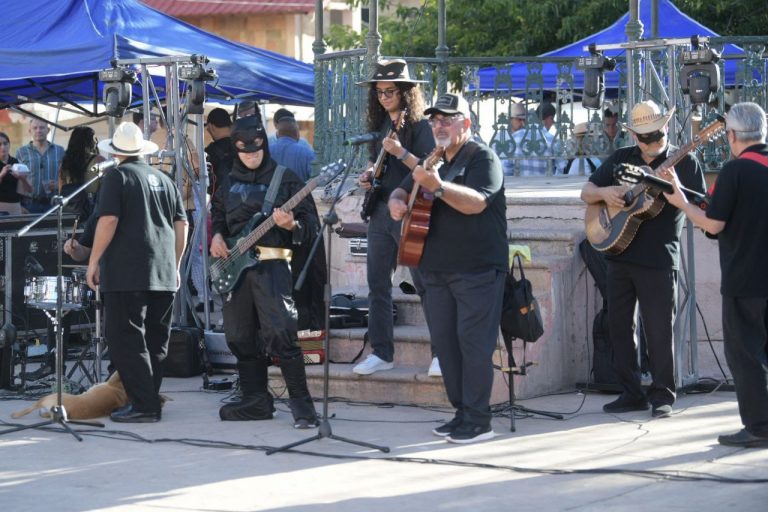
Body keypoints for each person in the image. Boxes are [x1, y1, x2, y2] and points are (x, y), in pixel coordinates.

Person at [389, 93, 507, 443]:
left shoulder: (483, 158)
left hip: (477, 269)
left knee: (474, 345)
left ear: (465, 124)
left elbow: (476, 203)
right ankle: (461, 413)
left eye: (447, 119)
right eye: (435, 120)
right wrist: (397, 203)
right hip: (435, 270)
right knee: (446, 344)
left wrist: (438, 187)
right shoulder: (433, 158)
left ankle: (479, 419)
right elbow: (403, 189)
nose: (439, 125)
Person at [580, 100, 706, 418]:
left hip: (660, 259)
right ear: (635, 136)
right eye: (646, 136)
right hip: (619, 254)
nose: (653, 142)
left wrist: (675, 190)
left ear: (666, 128)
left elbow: (699, 207)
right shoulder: (622, 158)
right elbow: (586, 191)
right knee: (619, 327)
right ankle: (631, 392)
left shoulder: (686, 161)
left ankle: (663, 395)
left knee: (659, 330)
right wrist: (606, 193)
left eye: (657, 134)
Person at [663, 102, 768, 448]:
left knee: (747, 356)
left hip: (746, 281)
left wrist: (680, 201)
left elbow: (713, 223)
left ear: (733, 135)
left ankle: (759, 427)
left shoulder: (735, 171)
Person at [209, 116, 319, 428]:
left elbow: (311, 226)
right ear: (236, 150)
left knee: (282, 333)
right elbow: (218, 215)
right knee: (239, 335)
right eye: (245, 152)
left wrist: (292, 225)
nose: (251, 157)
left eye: (256, 151)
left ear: (265, 146)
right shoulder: (228, 180)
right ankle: (255, 399)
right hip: (235, 269)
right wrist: (216, 237)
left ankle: (302, 406)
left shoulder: (286, 180)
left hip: (272, 266)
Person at [87, 122, 188, 423]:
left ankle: (144, 405)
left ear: (116, 152)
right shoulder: (164, 179)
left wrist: (93, 261)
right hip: (163, 271)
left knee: (125, 339)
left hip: (127, 272)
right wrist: (176, 264)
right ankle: (146, 399)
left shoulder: (116, 176)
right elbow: (182, 224)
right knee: (155, 341)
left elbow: (108, 221)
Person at [352, 58, 438, 377]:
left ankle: (440, 354)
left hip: (410, 211)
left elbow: (427, 166)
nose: (384, 97)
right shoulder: (380, 128)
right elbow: (380, 168)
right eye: (379, 92)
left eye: (390, 91)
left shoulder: (420, 125)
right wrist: (369, 176)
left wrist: (400, 152)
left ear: (405, 92)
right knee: (377, 284)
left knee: (424, 284)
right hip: (379, 211)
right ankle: (382, 352)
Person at [15, 118, 65, 213]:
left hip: (53, 204)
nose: (38, 130)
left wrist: (58, 185)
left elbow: (66, 176)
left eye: (42, 127)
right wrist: (19, 206)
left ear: (48, 130)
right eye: (35, 128)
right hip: (28, 205)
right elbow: (16, 180)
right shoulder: (21, 152)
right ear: (30, 131)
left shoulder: (59, 151)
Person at [58, 126, 105, 222]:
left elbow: (60, 190)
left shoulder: (65, 164)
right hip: (92, 212)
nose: (96, 141)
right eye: (94, 138)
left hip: (68, 213)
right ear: (89, 142)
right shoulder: (99, 160)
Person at [504, 102, 563, 176]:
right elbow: (561, 168)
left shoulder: (514, 138)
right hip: (546, 186)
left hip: (520, 186)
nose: (553, 123)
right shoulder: (552, 140)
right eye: (552, 119)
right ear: (549, 118)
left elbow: (506, 169)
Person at [268, 108, 316, 182]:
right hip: (301, 192)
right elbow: (315, 177)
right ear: (296, 132)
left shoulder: (267, 151)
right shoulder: (307, 152)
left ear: (279, 132)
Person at [0, 132, 33, 215]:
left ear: (9, 145)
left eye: (5, 143)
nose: (3, 147)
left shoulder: (17, 162)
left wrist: (22, 178)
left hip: (14, 205)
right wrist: (1, 175)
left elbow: (30, 190)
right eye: (0, 144)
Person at [205, 107, 234, 195]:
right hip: (245, 201)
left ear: (211, 127)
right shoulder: (243, 146)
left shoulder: (209, 152)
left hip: (220, 203)